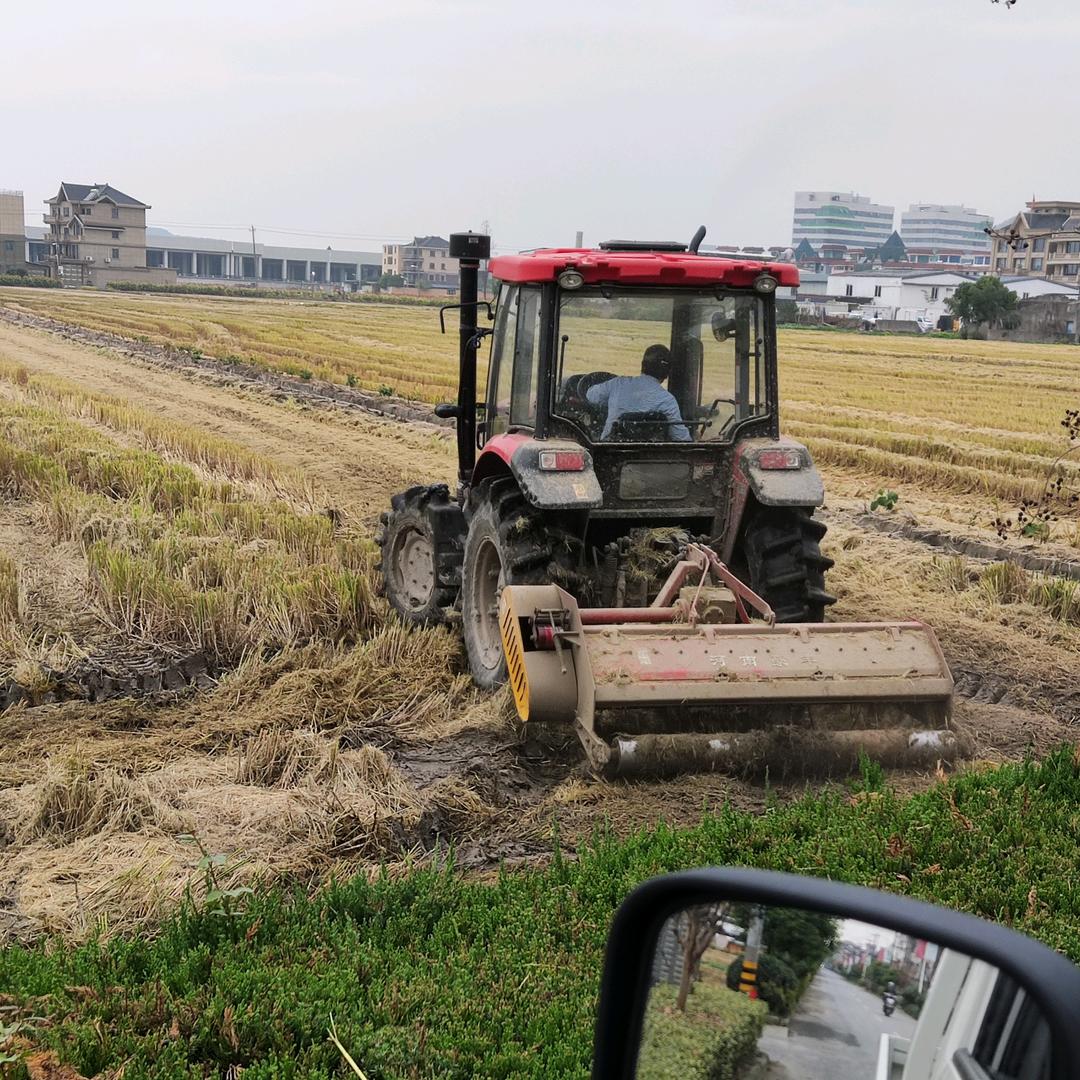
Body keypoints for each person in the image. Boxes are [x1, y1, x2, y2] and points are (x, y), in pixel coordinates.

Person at [585, 344, 691, 441]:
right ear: (666, 374)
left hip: (609, 452)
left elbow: (591, 396)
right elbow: (680, 438)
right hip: (649, 456)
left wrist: (610, 401)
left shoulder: (618, 384)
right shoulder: (667, 400)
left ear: (643, 365)